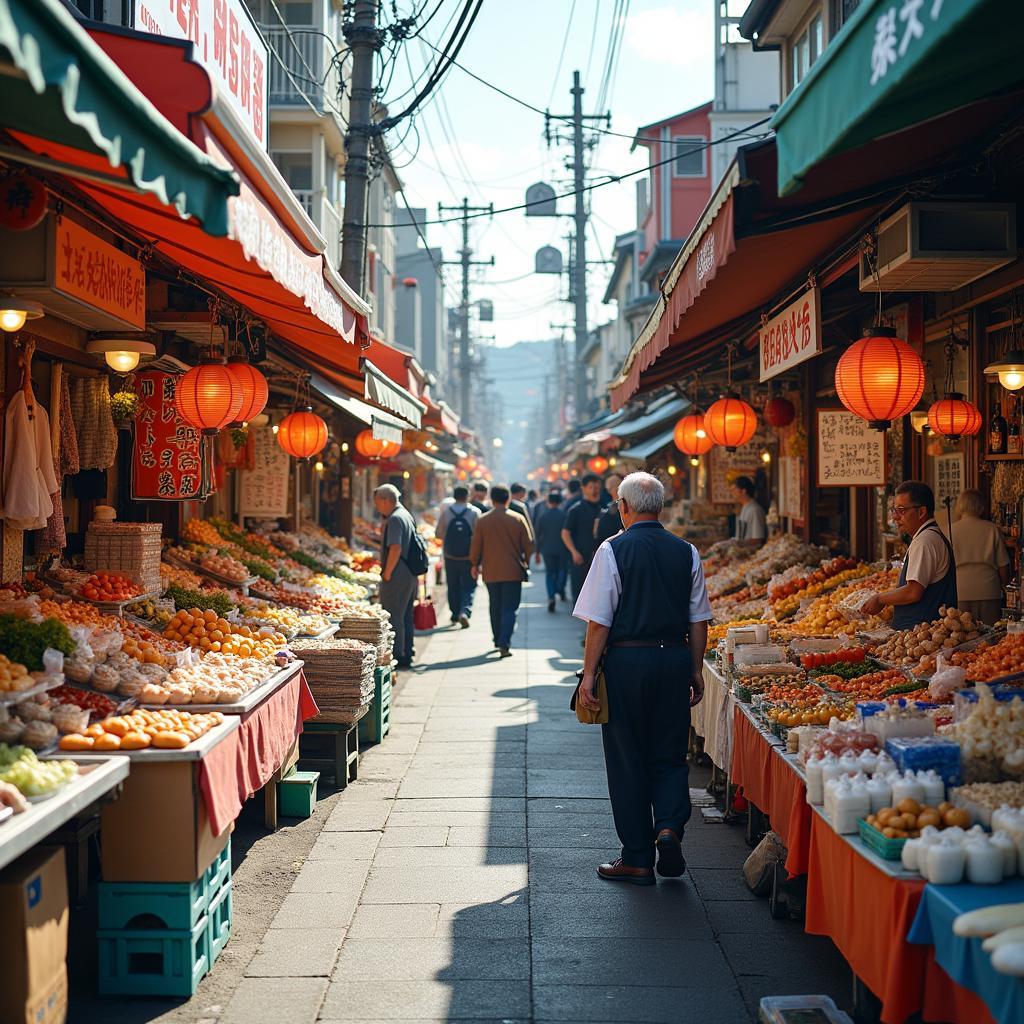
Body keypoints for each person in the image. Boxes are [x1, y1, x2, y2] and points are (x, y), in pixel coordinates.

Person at [573, 472, 712, 885]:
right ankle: (668, 826)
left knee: (627, 757)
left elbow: (599, 622)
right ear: (661, 508)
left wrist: (588, 674)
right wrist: (694, 668)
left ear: (624, 506)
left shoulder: (613, 549)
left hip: (627, 664)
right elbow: (699, 619)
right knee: (670, 753)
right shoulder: (686, 551)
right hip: (673, 660)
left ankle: (636, 856)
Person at [862, 481, 957, 628]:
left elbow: (913, 592)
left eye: (901, 510)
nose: (895, 517)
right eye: (894, 510)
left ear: (921, 512)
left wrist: (880, 599)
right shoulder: (927, 537)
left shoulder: (925, 541)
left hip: (923, 633)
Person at [469, 484, 533, 658]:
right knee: (510, 608)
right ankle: (504, 642)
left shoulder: (483, 520)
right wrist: (525, 562)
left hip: (491, 571)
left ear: (492, 498)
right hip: (513, 570)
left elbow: (476, 545)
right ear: (508, 499)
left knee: (495, 605)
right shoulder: (517, 518)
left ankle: (497, 639)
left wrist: (474, 564)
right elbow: (529, 544)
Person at [947, 489, 1010, 625]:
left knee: (962, 638)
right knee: (990, 638)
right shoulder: (991, 528)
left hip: (960, 590)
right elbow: (1003, 565)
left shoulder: (949, 530)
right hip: (988, 590)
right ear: (981, 507)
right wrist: (1005, 587)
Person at [374, 484, 420, 669]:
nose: (377, 507)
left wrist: (387, 573)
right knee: (406, 615)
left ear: (386, 500)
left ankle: (398, 654)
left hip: (398, 574)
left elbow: (395, 547)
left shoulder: (394, 519)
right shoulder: (406, 514)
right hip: (408, 573)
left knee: (394, 615)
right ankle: (408, 651)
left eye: (377, 502)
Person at [436, 484, 480, 628]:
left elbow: (438, 534)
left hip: (450, 556)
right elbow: (478, 536)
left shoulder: (447, 512)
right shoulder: (475, 512)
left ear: (454, 496)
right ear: (467, 496)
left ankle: (454, 614)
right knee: (469, 585)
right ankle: (465, 611)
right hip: (469, 556)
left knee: (453, 585)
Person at [561, 473, 603, 602]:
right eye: (591, 487)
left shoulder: (605, 507)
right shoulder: (576, 510)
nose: (594, 490)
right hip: (581, 558)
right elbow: (565, 533)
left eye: (597, 487)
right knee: (580, 592)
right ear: (583, 488)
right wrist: (574, 552)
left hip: (601, 558)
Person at [535, 490, 569, 612]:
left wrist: (537, 552)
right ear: (560, 502)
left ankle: (551, 597)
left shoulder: (543, 516)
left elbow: (539, 535)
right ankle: (560, 588)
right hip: (563, 548)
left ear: (548, 502)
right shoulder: (564, 515)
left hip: (547, 548)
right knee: (562, 570)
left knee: (550, 573)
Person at [733, 476, 767, 546]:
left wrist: (737, 544)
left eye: (734, 489)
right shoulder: (744, 508)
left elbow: (758, 539)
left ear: (743, 491)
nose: (733, 493)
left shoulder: (755, 510)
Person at [595, 473, 624, 545]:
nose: (618, 488)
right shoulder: (606, 513)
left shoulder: (634, 505)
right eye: (613, 486)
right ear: (608, 490)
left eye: (619, 484)